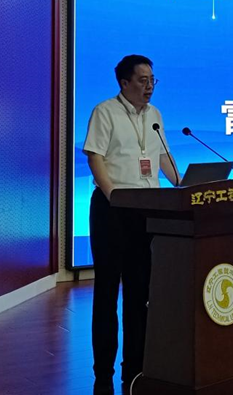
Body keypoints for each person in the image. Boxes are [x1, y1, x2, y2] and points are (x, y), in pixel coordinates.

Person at [83, 54, 179, 395]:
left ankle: (135, 369)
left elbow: (161, 156)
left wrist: (182, 184)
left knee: (140, 294)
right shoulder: (105, 111)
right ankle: (103, 375)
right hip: (112, 210)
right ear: (124, 83)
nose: (149, 86)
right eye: (142, 80)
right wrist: (114, 196)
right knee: (107, 293)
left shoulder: (155, 115)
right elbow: (95, 156)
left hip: (146, 211)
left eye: (152, 80)